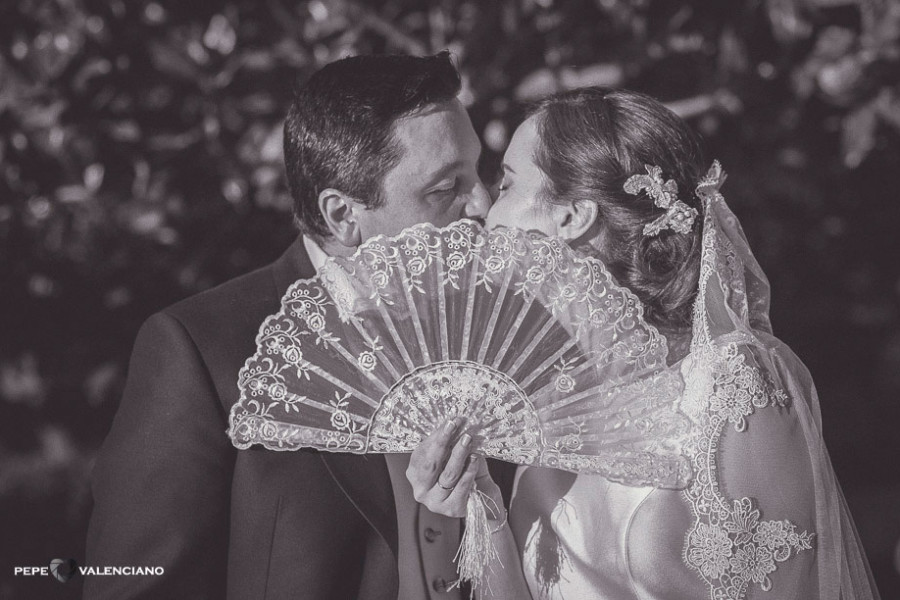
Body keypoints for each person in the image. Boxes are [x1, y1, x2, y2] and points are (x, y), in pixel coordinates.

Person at [408, 87, 881, 599]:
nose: (484, 213)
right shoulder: (550, 399)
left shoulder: (730, 380)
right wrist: (483, 508)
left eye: (505, 186)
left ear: (572, 217)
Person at [85, 51, 513, 600]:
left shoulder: (498, 330)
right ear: (342, 215)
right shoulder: (203, 349)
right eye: (443, 187)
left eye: (478, 172)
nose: (480, 202)